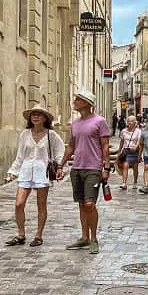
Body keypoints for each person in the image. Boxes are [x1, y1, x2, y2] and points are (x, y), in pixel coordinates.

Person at [4, 105, 65, 247]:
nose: (35, 116)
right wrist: (13, 171)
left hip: (42, 172)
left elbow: (60, 151)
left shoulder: (51, 135)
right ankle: (20, 234)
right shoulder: (25, 134)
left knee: (41, 204)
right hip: (25, 170)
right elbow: (20, 156)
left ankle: (38, 235)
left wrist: (59, 166)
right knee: (19, 204)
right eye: (33, 114)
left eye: (39, 114)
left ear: (45, 118)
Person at [59, 89, 110, 255]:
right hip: (77, 168)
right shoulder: (75, 123)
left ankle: (94, 238)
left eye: (78, 99)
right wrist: (61, 164)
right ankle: (84, 237)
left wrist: (106, 167)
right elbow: (71, 146)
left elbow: (104, 146)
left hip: (93, 168)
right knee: (81, 204)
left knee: (90, 204)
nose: (74, 101)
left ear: (87, 103)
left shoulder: (99, 121)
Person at [117, 115, 142, 190]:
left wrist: (136, 146)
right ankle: (124, 183)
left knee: (135, 167)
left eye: (131, 121)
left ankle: (135, 182)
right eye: (128, 121)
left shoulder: (138, 131)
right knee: (125, 166)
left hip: (134, 151)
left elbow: (139, 141)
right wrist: (119, 151)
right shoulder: (123, 131)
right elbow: (122, 141)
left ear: (135, 122)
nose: (129, 122)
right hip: (126, 151)